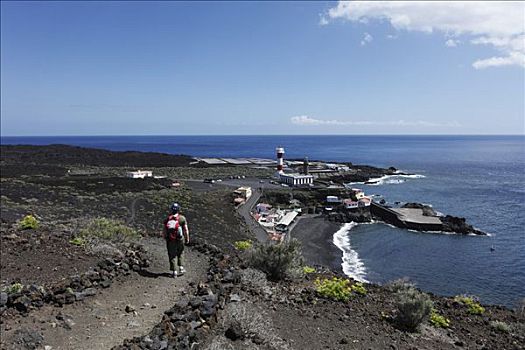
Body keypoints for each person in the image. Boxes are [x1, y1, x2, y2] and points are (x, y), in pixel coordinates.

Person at [163, 202, 190, 277]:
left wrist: (165, 237)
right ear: (178, 209)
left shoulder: (168, 219)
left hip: (171, 240)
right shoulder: (182, 218)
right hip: (180, 239)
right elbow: (185, 230)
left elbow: (164, 230)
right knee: (180, 252)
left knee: (172, 255)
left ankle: (174, 272)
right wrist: (187, 238)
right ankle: (181, 268)